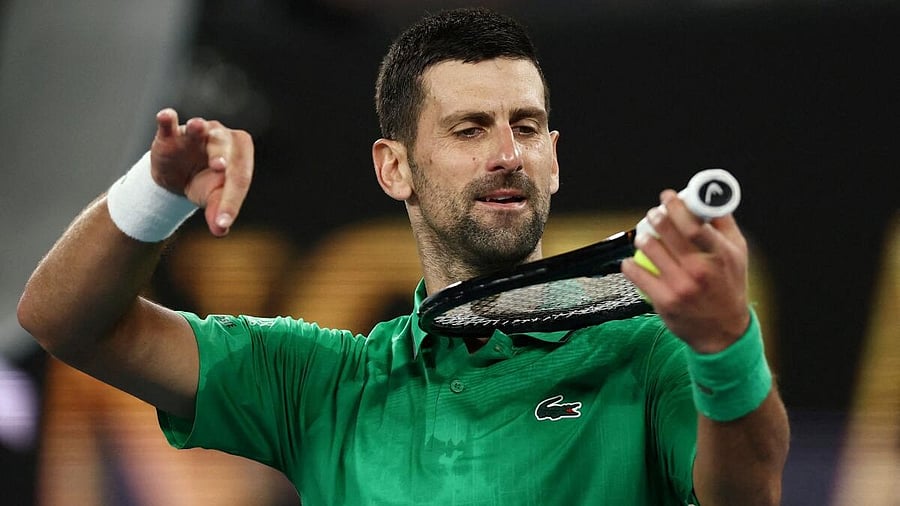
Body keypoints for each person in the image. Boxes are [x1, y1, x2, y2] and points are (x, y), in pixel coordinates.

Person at [18, 7, 789, 505]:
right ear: (395, 168)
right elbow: (63, 322)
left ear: (554, 158)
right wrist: (157, 189)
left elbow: (748, 496)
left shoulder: (647, 358)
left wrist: (725, 345)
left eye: (526, 127)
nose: (507, 154)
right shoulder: (322, 384)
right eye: (468, 129)